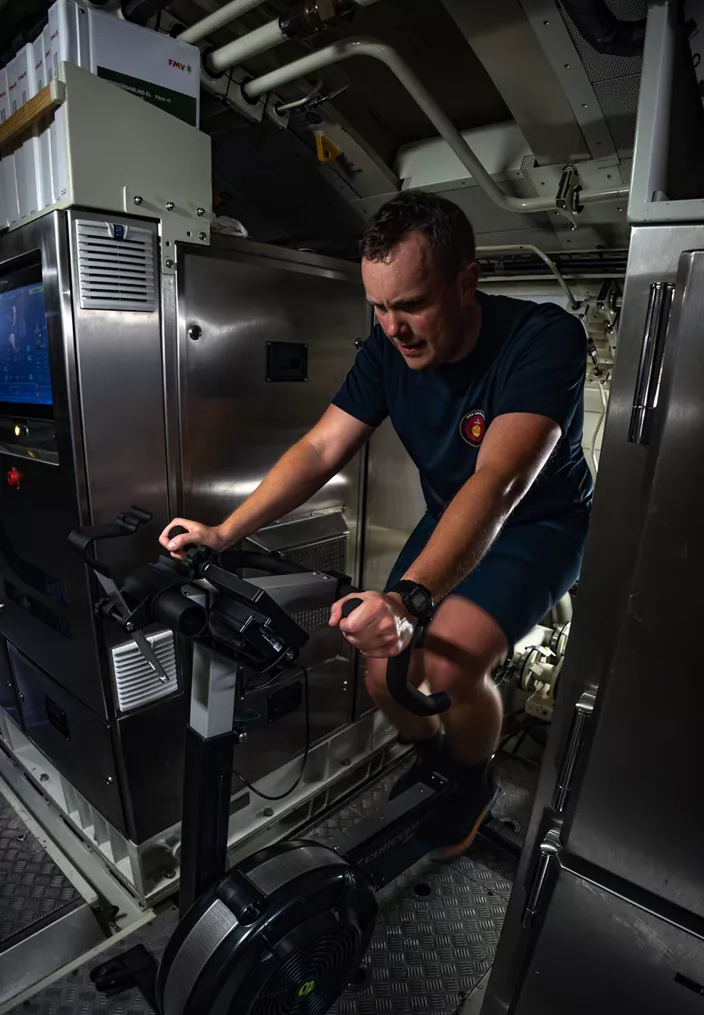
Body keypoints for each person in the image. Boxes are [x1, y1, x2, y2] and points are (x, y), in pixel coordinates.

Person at [160, 192, 592, 858]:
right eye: (379, 307)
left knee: (449, 661)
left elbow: (498, 483)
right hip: (455, 516)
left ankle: (469, 776)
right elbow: (317, 449)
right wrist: (225, 532)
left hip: (537, 525)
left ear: (465, 280)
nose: (393, 326)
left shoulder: (543, 338)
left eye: (411, 303)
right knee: (380, 672)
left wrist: (408, 599)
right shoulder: (388, 349)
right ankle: (432, 756)